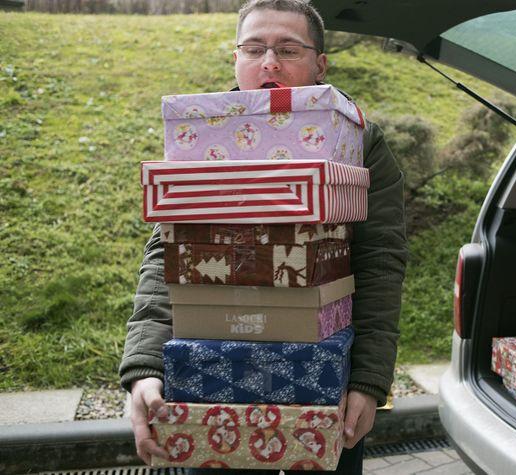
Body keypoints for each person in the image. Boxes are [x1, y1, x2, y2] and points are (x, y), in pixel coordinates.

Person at [118, 1, 408, 473]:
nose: (269, 62)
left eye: (288, 49)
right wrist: (146, 369)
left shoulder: (359, 142)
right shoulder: (204, 138)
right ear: (235, 58)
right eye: (254, 48)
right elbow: (167, 257)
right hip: (207, 369)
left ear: (320, 64)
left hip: (326, 376)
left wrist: (370, 381)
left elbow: (380, 262)